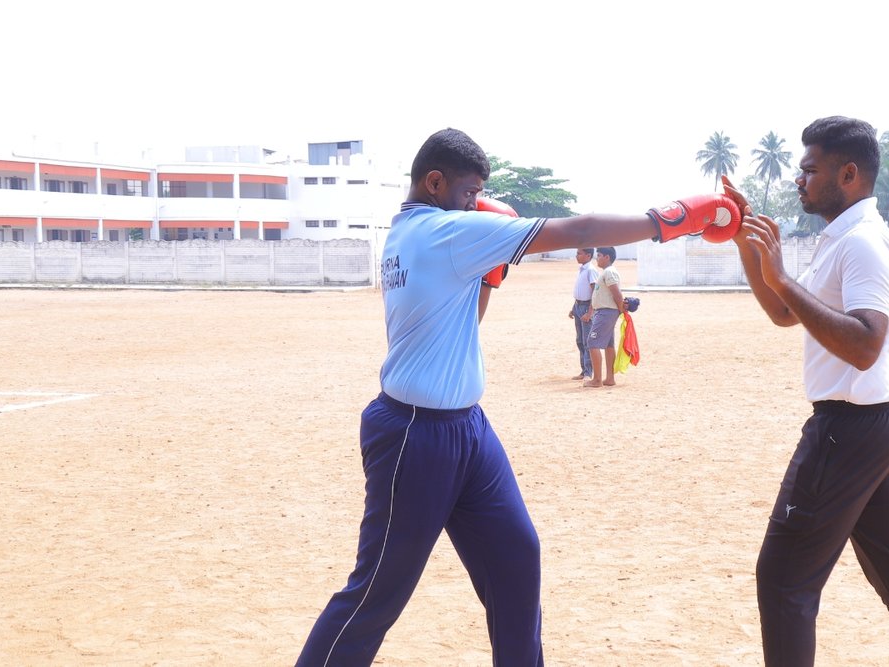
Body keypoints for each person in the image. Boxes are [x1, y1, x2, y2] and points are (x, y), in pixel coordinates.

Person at [296, 128, 742, 667]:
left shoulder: (409, 234)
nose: (474, 203)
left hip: (467, 428)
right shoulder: (444, 232)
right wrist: (671, 219)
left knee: (515, 557)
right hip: (415, 434)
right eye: (468, 192)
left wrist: (489, 276)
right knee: (376, 593)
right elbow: (580, 229)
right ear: (435, 183)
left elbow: (469, 321)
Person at [729, 117, 889, 666]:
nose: (799, 180)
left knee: (783, 580)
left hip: (851, 429)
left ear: (848, 174)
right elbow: (785, 312)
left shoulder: (863, 244)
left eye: (810, 170)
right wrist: (747, 246)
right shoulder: (842, 238)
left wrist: (783, 278)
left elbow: (864, 345)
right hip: (881, 422)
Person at [581, 247, 623, 388]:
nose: (597, 258)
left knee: (592, 342)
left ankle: (597, 380)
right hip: (606, 311)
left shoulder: (609, 272)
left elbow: (617, 294)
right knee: (608, 345)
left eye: (599, 255)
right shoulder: (607, 272)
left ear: (607, 257)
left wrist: (621, 309)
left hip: (606, 312)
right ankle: (609, 378)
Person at [568, 248, 598, 380]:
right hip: (578, 306)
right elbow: (580, 291)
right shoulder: (582, 269)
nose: (576, 256)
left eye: (579, 253)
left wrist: (590, 312)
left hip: (586, 307)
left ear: (588, 255)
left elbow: (595, 292)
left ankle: (588, 373)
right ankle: (583, 370)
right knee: (580, 340)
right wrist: (573, 308)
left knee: (587, 341)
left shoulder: (591, 270)